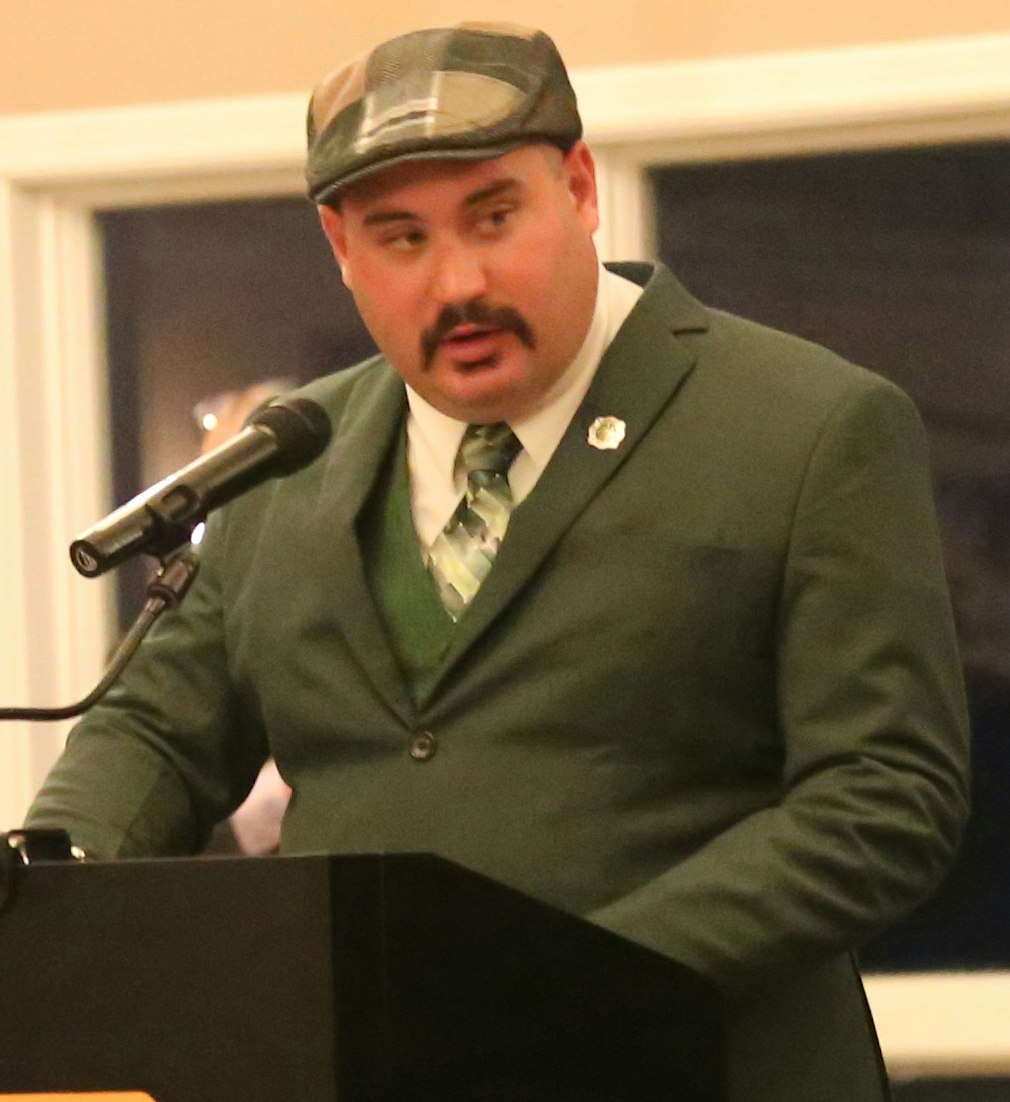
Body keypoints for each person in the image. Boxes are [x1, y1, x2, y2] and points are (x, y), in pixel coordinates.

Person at [27, 22, 970, 1100]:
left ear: (576, 188)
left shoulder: (805, 427)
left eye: (493, 216)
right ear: (340, 249)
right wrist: (53, 881)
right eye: (401, 240)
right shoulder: (288, 456)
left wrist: (578, 982)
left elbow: (884, 794)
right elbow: (158, 726)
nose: (457, 282)